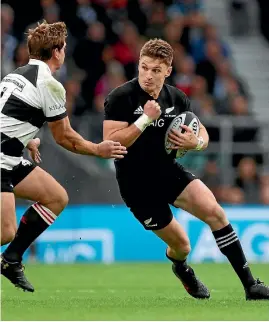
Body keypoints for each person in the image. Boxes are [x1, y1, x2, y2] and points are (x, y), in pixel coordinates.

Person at [103, 38, 269, 300]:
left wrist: (197, 142)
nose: (148, 75)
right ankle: (181, 268)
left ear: (168, 70)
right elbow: (111, 141)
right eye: (144, 68)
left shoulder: (176, 97)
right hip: (136, 186)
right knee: (182, 246)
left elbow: (199, 129)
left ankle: (251, 285)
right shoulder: (120, 97)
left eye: (156, 70)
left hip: (168, 172)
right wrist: (146, 119)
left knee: (215, 212)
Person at [0, 21, 127, 292]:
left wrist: (28, 138)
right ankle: (10, 253)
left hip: (10, 156)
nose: (65, 52)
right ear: (57, 51)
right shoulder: (50, 84)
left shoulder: (15, 75)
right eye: (64, 48)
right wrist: (97, 149)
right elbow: (64, 137)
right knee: (5, 231)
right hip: (1, 160)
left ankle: (11, 260)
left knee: (56, 197)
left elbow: (8, 117)